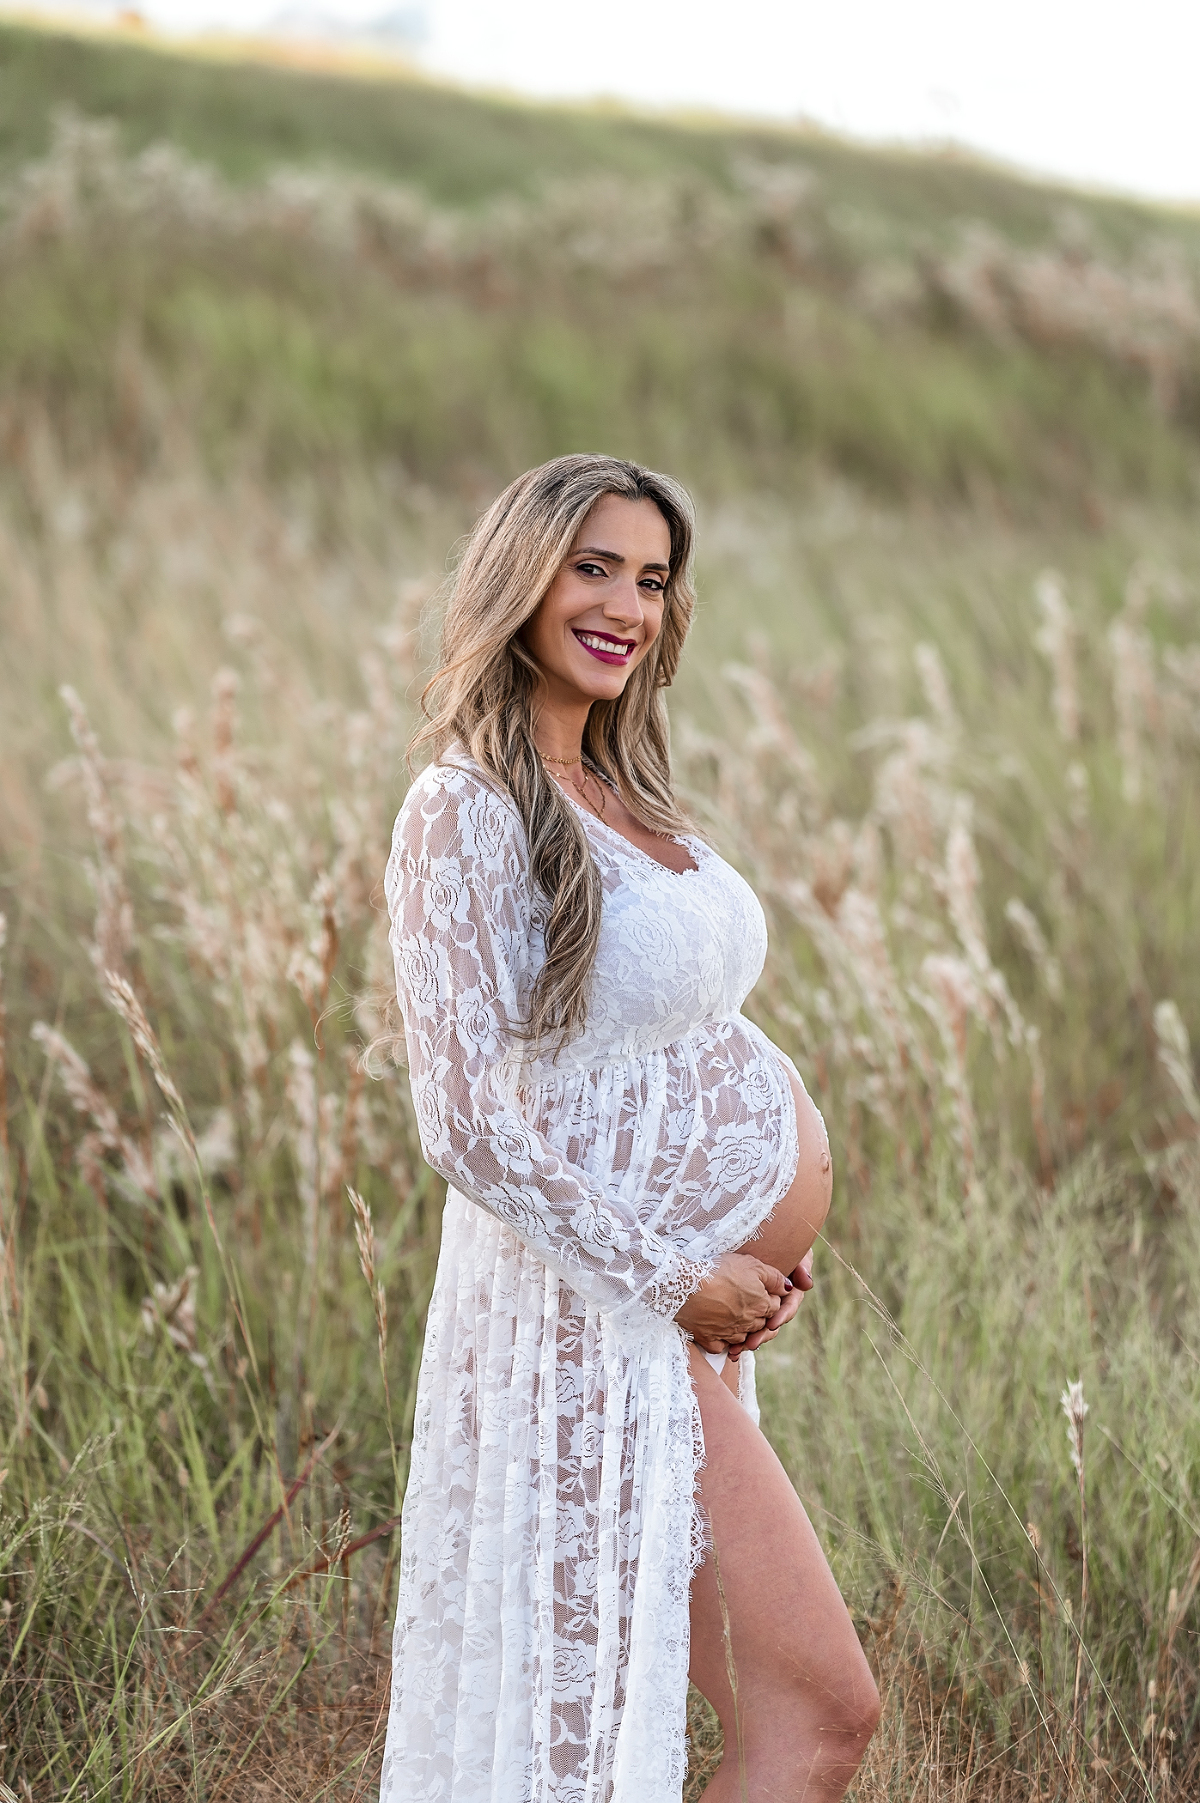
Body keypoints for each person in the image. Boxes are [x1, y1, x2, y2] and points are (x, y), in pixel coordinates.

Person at [380, 454, 880, 1802]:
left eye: (651, 578)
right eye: (593, 566)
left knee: (737, 1719)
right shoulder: (465, 810)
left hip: (679, 1317)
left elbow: (669, 1044)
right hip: (591, 1322)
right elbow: (466, 1124)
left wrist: (748, 1233)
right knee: (812, 1713)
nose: (626, 605)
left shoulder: (628, 793)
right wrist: (681, 1273)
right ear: (520, 578)